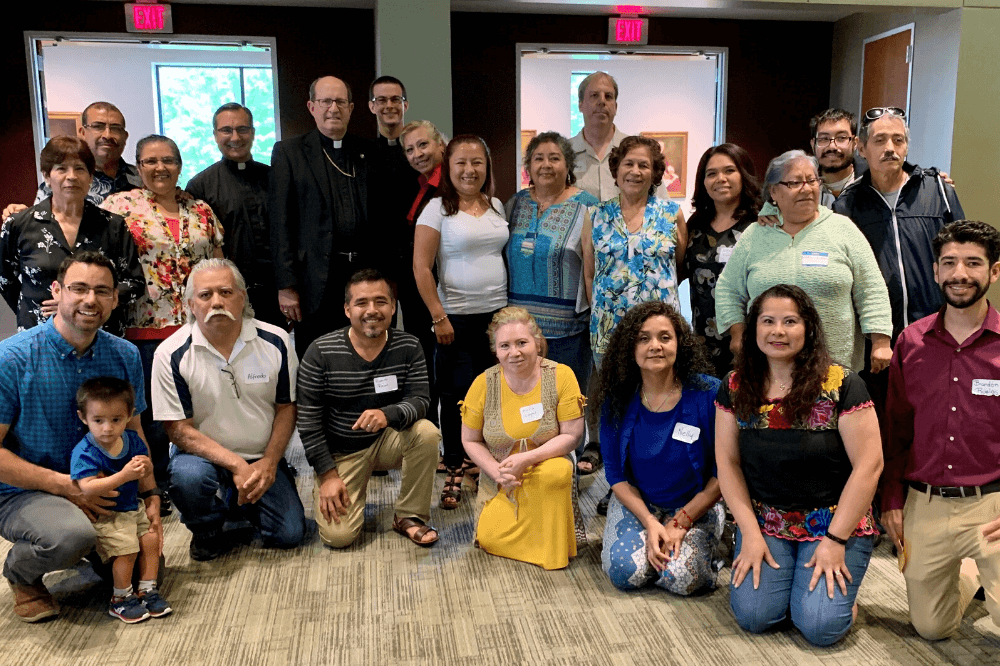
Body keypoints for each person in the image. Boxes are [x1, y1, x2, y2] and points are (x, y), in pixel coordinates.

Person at [716, 284, 883, 646]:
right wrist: (750, 533)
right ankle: (796, 593)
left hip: (834, 522)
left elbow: (870, 464)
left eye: (790, 321)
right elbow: (727, 463)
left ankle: (823, 600)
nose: (778, 331)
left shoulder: (841, 384)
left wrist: (836, 540)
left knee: (822, 627)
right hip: (765, 520)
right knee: (754, 616)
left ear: (808, 328)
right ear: (753, 328)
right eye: (768, 321)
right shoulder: (734, 385)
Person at [0, 252, 153, 623]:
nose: (90, 300)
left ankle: (90, 543)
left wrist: (151, 496)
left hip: (106, 487)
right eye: (79, 288)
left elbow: (133, 431)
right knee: (70, 536)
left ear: (115, 299)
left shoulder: (125, 355)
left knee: (144, 569)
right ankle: (22, 574)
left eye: (102, 291)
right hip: (27, 489)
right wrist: (68, 487)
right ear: (56, 291)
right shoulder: (12, 358)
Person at [882, 220, 1000, 641]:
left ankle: (979, 562)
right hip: (925, 501)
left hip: (992, 506)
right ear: (935, 271)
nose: (959, 274)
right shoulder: (910, 342)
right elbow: (895, 431)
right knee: (932, 628)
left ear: (994, 271)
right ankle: (969, 569)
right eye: (949, 263)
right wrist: (892, 500)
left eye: (973, 262)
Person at [153, 259, 305, 561]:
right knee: (189, 479)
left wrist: (271, 462)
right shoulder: (169, 354)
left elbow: (287, 407)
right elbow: (178, 430)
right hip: (199, 458)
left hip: (261, 456)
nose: (217, 302)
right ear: (190, 305)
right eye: (205, 295)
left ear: (243, 297)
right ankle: (207, 530)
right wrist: (237, 466)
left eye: (226, 292)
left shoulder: (276, 341)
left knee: (290, 535)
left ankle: (238, 501)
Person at [103, 134, 225, 509]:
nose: (160, 168)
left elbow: (220, 262)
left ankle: (205, 476)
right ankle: (154, 486)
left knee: (204, 406)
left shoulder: (200, 209)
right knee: (154, 415)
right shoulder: (118, 206)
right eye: (151, 161)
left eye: (168, 160)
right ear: (138, 166)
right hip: (146, 326)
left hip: (198, 326)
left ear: (179, 164)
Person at [297, 269, 440, 547]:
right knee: (338, 538)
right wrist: (327, 475)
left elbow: (421, 401)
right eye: (362, 303)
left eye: (381, 301)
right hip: (342, 451)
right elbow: (308, 422)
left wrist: (388, 414)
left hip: (388, 441)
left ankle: (409, 515)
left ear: (393, 306)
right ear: (347, 309)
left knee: (427, 433)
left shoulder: (409, 345)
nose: (372, 310)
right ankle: (342, 490)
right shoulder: (321, 352)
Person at [715, 149, 892, 372]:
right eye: (795, 183)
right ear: (774, 192)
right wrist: (737, 335)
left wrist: (881, 342)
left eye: (812, 180)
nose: (806, 189)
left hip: (833, 368)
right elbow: (728, 289)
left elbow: (871, 288)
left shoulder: (842, 229)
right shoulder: (755, 234)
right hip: (766, 368)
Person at [595, 302, 725, 594]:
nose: (655, 346)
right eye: (644, 338)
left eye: (665, 337)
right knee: (625, 573)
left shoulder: (709, 393)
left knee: (681, 579)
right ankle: (654, 544)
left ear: (680, 344)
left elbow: (724, 472)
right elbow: (616, 476)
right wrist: (651, 523)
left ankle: (708, 550)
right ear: (630, 348)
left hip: (696, 503)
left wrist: (681, 522)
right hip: (641, 504)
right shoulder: (617, 399)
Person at [414, 135, 508, 509]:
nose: (470, 171)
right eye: (461, 164)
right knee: (456, 397)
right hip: (454, 318)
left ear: (487, 167)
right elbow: (421, 267)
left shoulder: (496, 204)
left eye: (477, 163)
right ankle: (454, 463)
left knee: (493, 395)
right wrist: (438, 315)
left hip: (497, 318)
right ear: (448, 169)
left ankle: (481, 461)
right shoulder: (436, 209)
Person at [460, 307, 585, 570]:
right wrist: (495, 471)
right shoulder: (483, 384)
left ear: (537, 343)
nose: (514, 352)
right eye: (505, 345)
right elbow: (470, 440)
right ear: (495, 350)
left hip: (545, 468)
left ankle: (551, 550)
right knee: (489, 537)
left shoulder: (561, 376)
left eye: (521, 343)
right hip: (503, 480)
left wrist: (528, 459)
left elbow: (572, 435)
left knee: (558, 470)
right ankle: (544, 542)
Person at [504, 132, 598, 472]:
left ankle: (565, 467)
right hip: (520, 326)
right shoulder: (515, 204)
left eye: (555, 157)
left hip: (568, 326)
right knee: (525, 396)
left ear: (568, 165)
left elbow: (593, 265)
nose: (546, 164)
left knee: (566, 400)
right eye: (538, 157)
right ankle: (524, 458)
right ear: (528, 165)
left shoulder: (587, 205)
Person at [269, 75, 377, 358]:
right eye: (326, 101)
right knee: (318, 355)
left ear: (352, 108)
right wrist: (286, 286)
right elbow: (280, 223)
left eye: (341, 101)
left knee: (365, 349)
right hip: (314, 279)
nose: (334, 108)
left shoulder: (368, 151)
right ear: (311, 106)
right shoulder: (289, 152)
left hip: (362, 274)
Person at [1, 136, 145, 336]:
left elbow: (135, 283)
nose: (72, 176)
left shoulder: (113, 225)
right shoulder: (19, 224)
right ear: (47, 176)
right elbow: (4, 280)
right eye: (61, 169)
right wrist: (33, 307)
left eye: (80, 169)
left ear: (90, 177)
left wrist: (78, 302)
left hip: (100, 335)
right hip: (39, 335)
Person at [71, 377, 170, 623]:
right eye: (98, 421)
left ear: (129, 415)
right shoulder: (85, 451)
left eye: (116, 420)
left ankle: (147, 590)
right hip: (108, 514)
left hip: (132, 508)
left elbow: (144, 468)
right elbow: (88, 487)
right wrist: (124, 475)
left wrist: (146, 466)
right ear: (83, 418)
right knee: (126, 552)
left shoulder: (132, 440)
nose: (107, 428)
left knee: (150, 541)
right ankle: (120, 598)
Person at [583, 135, 687, 366]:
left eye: (644, 165)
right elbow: (590, 274)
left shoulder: (672, 214)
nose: (635, 171)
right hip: (609, 328)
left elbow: (677, 268)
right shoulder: (595, 215)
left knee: (659, 395)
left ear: (655, 173)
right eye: (628, 163)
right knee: (615, 398)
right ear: (616, 169)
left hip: (659, 333)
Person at [186, 102, 284, 327]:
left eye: (242, 129)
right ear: (215, 135)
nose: (235, 137)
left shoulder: (274, 177)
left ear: (252, 133)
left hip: (274, 291)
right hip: (227, 294)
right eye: (226, 130)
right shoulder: (200, 185)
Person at [682, 143, 761, 378]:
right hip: (702, 341)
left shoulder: (760, 224)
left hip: (749, 340)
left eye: (729, 170)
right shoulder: (694, 225)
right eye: (711, 173)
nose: (721, 179)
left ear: (743, 175)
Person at [2, 101, 142, 218]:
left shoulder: (143, 179)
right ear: (82, 132)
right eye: (98, 126)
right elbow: (41, 224)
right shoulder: (60, 181)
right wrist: (23, 215)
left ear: (125, 136)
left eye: (115, 128)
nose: (107, 135)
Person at [399, 120, 447, 428]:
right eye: (410, 149)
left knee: (440, 368)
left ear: (441, 145)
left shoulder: (448, 187)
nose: (417, 154)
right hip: (420, 288)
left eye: (423, 145)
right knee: (426, 365)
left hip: (440, 291)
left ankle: (448, 442)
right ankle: (431, 432)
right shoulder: (423, 184)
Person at [569, 72, 667, 201]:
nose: (602, 101)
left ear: (615, 107)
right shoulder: (564, 154)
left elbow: (661, 204)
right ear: (580, 105)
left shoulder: (638, 151)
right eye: (594, 96)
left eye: (608, 96)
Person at [809, 108, 866, 206]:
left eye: (841, 138)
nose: (832, 146)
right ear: (813, 144)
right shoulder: (800, 185)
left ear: (855, 143)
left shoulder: (872, 181)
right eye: (824, 139)